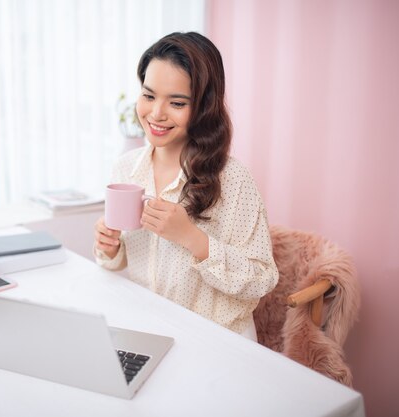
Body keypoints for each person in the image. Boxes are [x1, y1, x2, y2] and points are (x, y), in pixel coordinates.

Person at [93, 32, 278, 341]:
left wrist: (192, 238)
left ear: (204, 107)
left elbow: (261, 279)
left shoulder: (232, 180)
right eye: (149, 96)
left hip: (219, 340)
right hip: (150, 331)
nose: (156, 114)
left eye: (176, 102)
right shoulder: (126, 168)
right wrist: (110, 246)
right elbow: (122, 259)